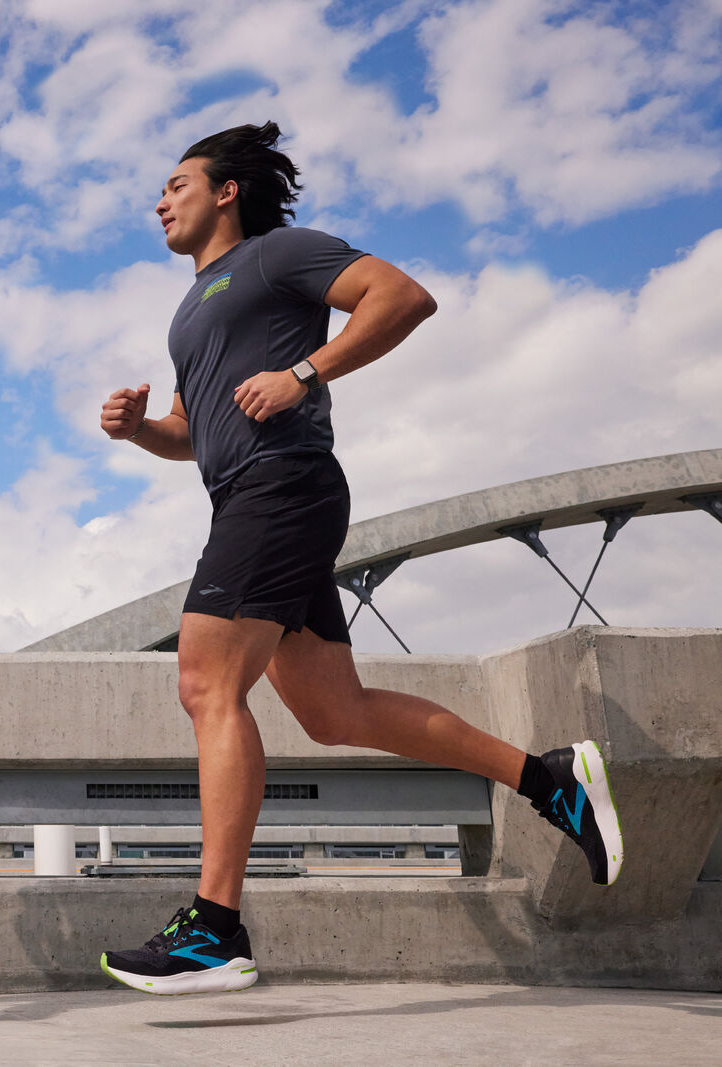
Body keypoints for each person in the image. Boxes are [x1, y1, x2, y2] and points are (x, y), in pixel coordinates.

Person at [95, 123, 624, 996]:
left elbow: (403, 295)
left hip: (284, 484)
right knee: (336, 713)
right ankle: (551, 779)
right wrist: (140, 429)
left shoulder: (277, 255)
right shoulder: (188, 312)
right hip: (248, 495)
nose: (160, 200)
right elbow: (196, 434)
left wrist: (305, 371)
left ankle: (215, 929)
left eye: (176, 183)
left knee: (205, 683)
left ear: (226, 191)